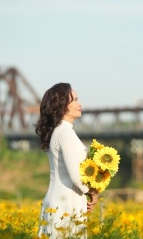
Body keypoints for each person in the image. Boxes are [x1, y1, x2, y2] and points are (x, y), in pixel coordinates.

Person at [35, 83, 98, 238]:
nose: (79, 104)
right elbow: (76, 176)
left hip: (58, 200)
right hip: (66, 203)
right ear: (62, 106)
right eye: (75, 100)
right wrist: (93, 192)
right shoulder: (65, 133)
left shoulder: (59, 131)